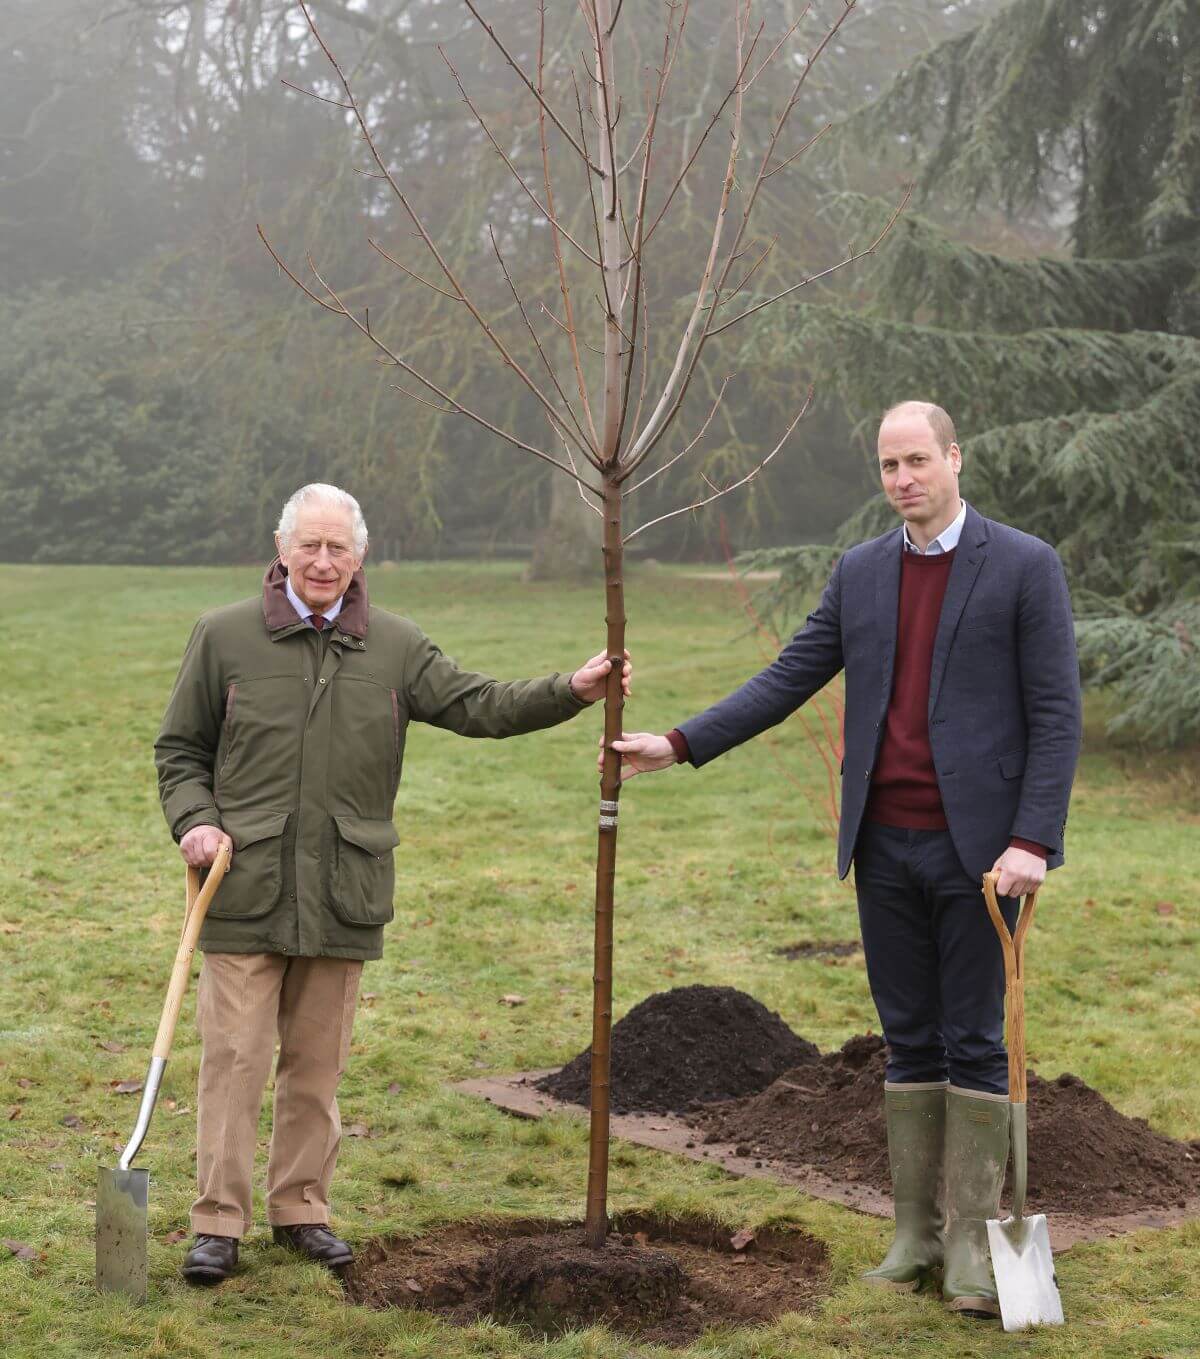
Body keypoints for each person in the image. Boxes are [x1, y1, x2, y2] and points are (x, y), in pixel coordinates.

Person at [608, 402, 1081, 1318]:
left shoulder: (1025, 565)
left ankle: (978, 1250)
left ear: (954, 457)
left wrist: (1032, 840)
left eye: (917, 460)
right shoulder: (863, 572)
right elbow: (790, 676)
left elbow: (1057, 714)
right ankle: (915, 1236)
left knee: (974, 1036)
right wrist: (679, 741)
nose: (902, 477)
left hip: (984, 855)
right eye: (887, 465)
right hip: (882, 843)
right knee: (906, 1034)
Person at [155, 481, 629, 1285]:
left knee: (316, 1063)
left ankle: (300, 1208)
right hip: (243, 888)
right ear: (281, 548)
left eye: (339, 546)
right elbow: (179, 750)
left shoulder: (397, 646)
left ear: (361, 555)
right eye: (308, 543)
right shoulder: (224, 637)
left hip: (345, 888)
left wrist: (570, 691)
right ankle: (217, 1223)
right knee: (234, 1059)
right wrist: (195, 818)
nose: (323, 559)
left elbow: (480, 704)